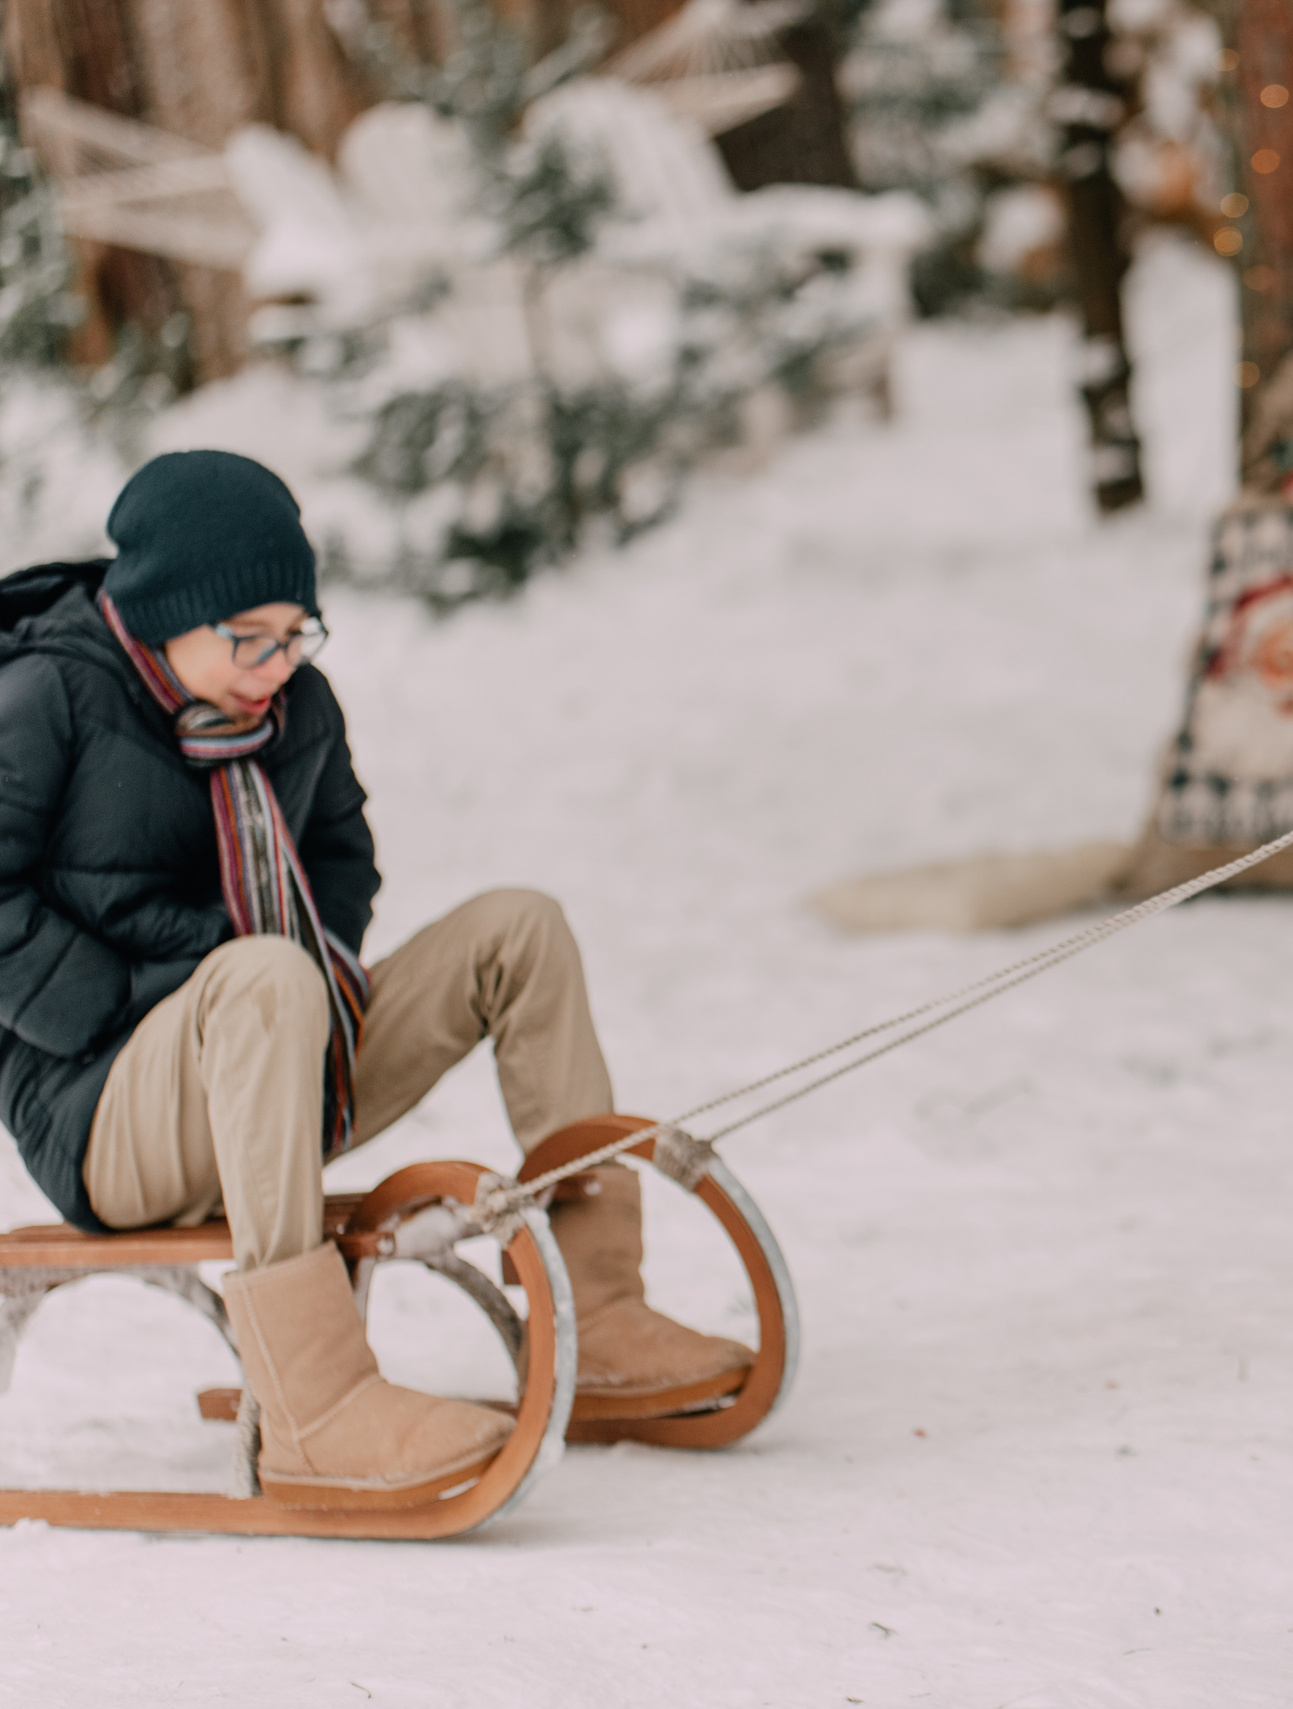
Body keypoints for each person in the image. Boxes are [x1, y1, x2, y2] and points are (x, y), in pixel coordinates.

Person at [0, 449, 750, 1510]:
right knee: (257, 975)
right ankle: (313, 1405)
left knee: (517, 928)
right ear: (166, 611)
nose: (275, 663)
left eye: (293, 633)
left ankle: (603, 1308)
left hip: (282, 1051)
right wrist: (157, 1004)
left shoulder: (299, 707)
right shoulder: (46, 696)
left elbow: (342, 856)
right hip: (108, 1104)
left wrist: (317, 987)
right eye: (245, 638)